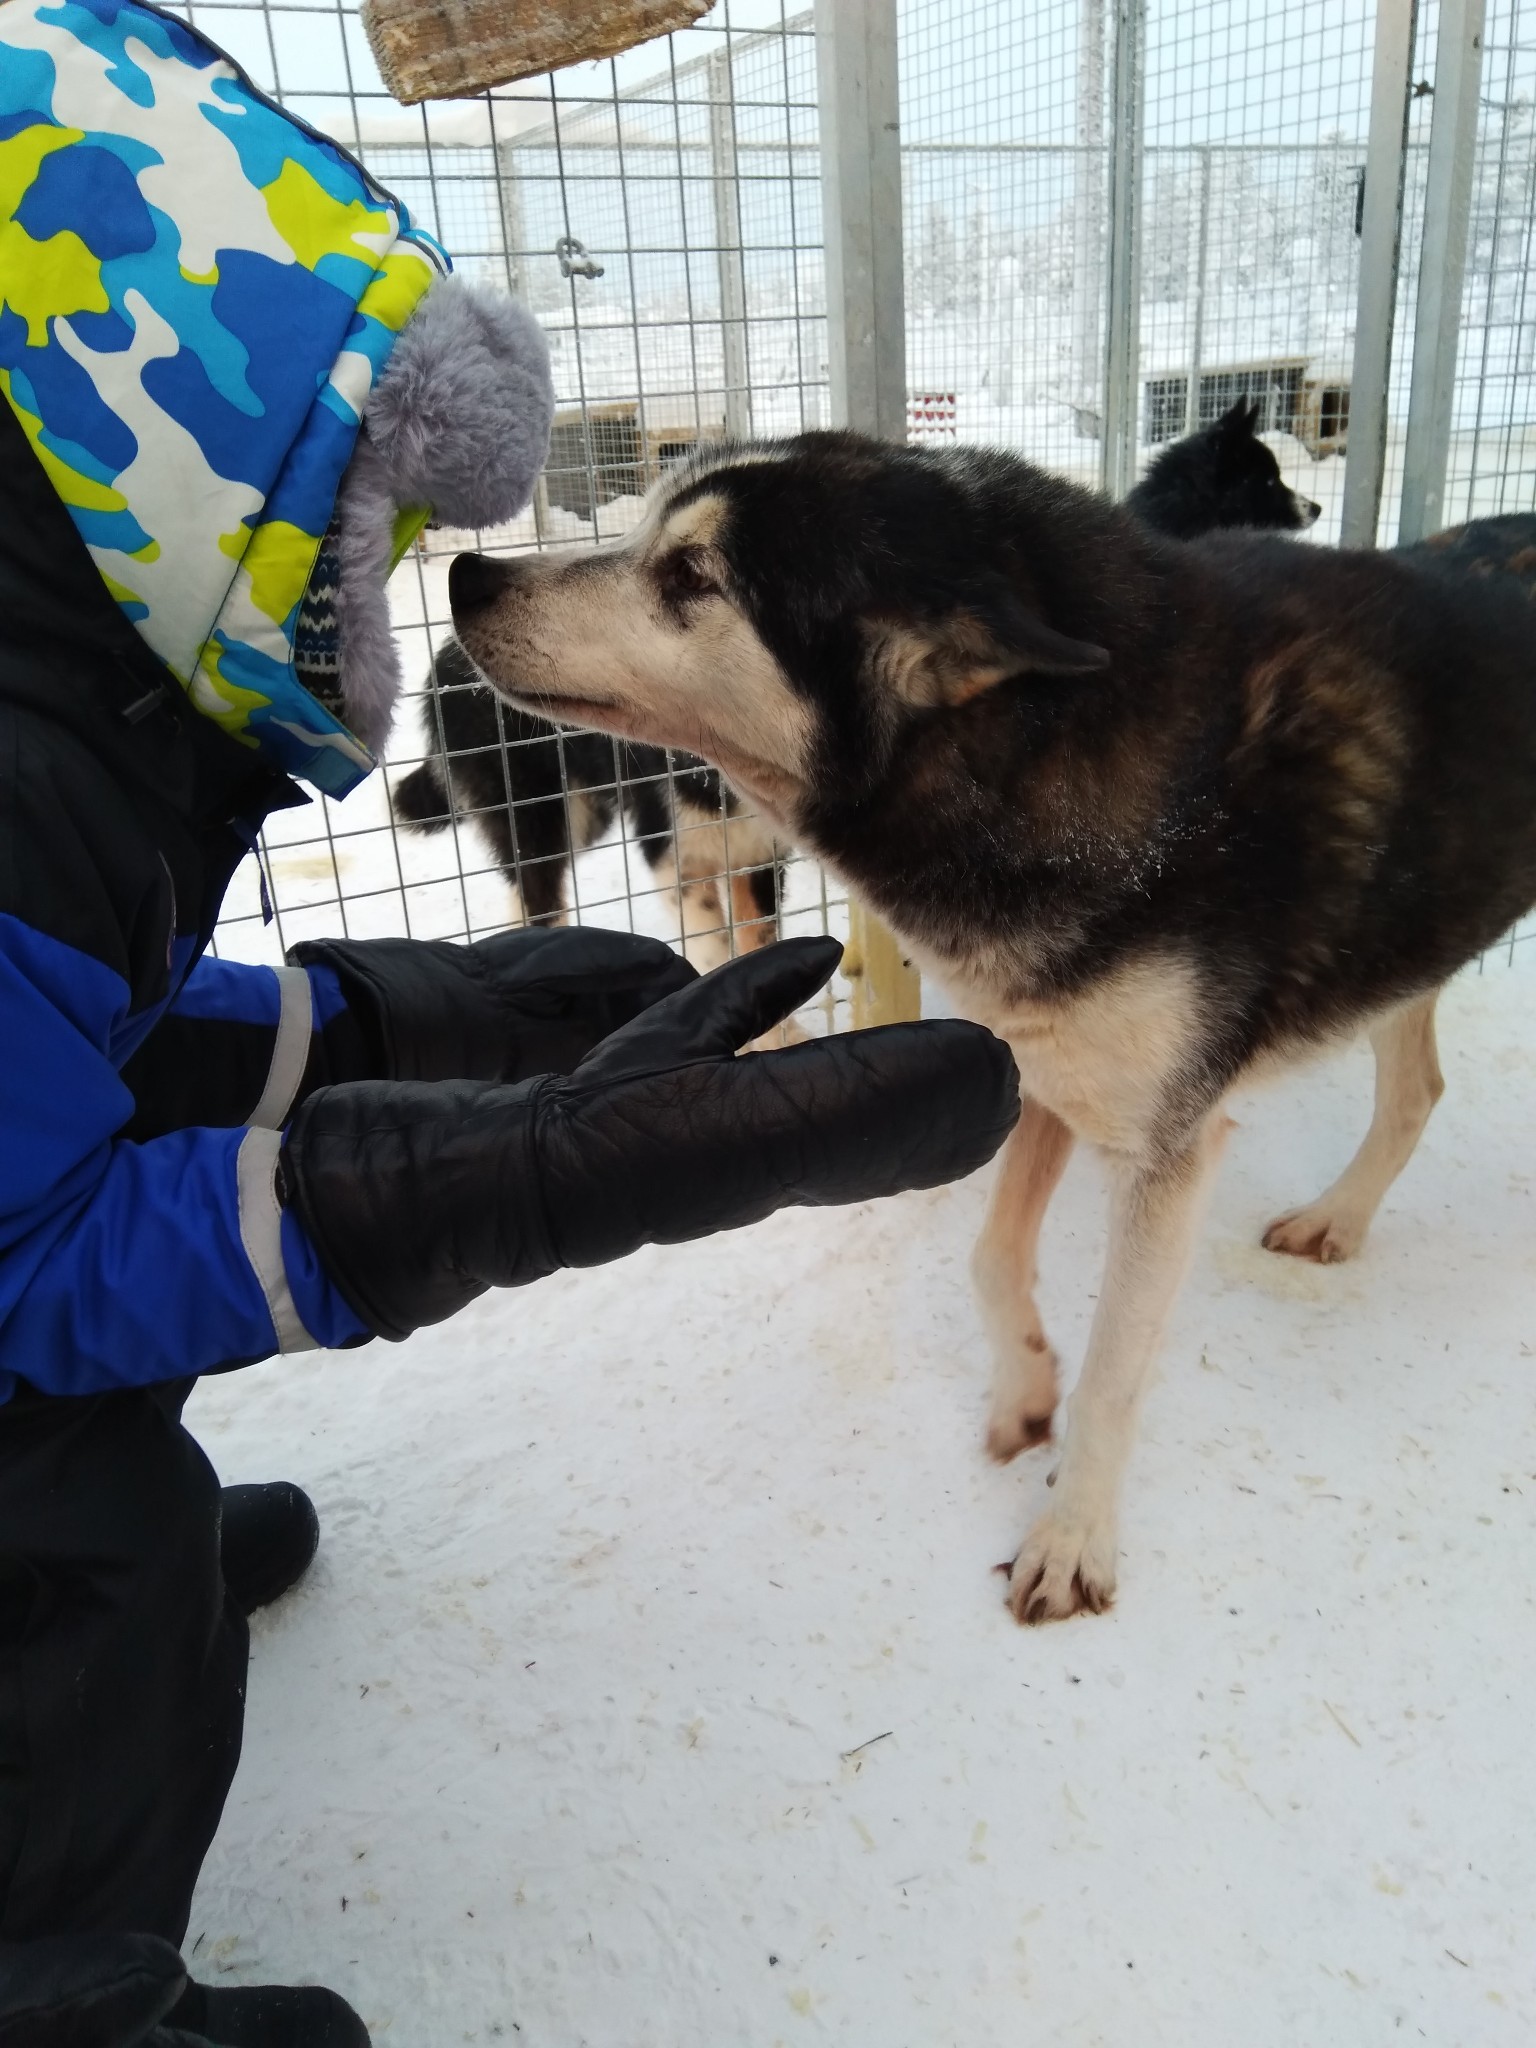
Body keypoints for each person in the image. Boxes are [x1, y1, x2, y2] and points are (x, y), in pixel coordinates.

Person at [0, 4, 1020, 2042]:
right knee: (78, 1508)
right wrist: (469, 1187)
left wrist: (396, 1022)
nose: (373, 592)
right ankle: (61, 1990)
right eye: (345, 533)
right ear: (160, 490)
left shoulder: (57, 703)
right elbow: (19, 1252)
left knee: (115, 1477)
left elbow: (50, 1057)